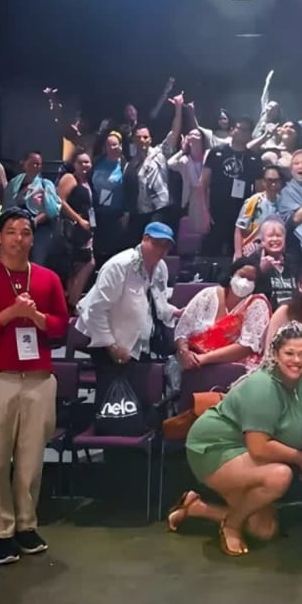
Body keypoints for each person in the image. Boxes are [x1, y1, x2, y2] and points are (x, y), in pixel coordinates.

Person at [0, 208, 69, 565]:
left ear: (33, 238)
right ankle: (0, 532)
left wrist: (35, 316)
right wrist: (10, 314)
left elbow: (61, 325)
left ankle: (26, 525)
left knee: (31, 460)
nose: (18, 239)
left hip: (38, 379)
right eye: (11, 232)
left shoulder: (47, 278)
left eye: (25, 232)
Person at [170, 322, 302, 556]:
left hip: (245, 451)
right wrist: (300, 458)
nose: (296, 360)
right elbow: (259, 447)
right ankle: (232, 526)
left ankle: (196, 508)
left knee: (264, 530)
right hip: (215, 446)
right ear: (276, 355)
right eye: (289, 353)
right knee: (280, 475)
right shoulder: (263, 385)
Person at [75, 223, 178, 402]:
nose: (161, 250)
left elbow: (157, 302)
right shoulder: (119, 265)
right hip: (110, 342)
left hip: (140, 342)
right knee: (112, 402)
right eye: (157, 244)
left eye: (166, 246)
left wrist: (175, 312)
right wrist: (111, 346)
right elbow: (96, 310)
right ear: (145, 239)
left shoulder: (161, 267)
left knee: (137, 399)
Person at [174, 258, 272, 373]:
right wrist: (184, 352)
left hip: (234, 369)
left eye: (251, 279)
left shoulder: (257, 304)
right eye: (242, 276)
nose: (245, 282)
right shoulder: (207, 295)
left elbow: (247, 347)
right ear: (232, 275)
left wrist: (203, 359)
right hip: (192, 363)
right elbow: (182, 331)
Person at [203, 118, 265, 256]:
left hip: (242, 212)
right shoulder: (216, 152)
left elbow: (259, 191)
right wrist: (204, 210)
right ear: (231, 130)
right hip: (216, 210)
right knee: (211, 250)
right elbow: (203, 183)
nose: (243, 132)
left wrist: (256, 217)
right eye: (240, 128)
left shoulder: (254, 158)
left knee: (237, 251)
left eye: (246, 130)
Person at [3, 151, 62, 266]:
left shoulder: (45, 184)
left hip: (39, 230)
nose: (36, 166)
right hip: (17, 228)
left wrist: (35, 221)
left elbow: (52, 210)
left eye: (39, 164)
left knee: (36, 261)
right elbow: (7, 206)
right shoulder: (14, 184)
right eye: (33, 163)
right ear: (24, 164)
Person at [55, 149, 96, 310]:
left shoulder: (88, 180)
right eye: (81, 162)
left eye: (87, 162)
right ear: (74, 164)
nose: (85, 165)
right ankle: (71, 302)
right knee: (86, 263)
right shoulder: (70, 178)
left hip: (86, 229)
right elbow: (60, 200)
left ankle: (72, 301)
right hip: (73, 228)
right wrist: (78, 219)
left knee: (79, 266)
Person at [242, 217, 302, 307]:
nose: (275, 239)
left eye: (278, 236)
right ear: (262, 241)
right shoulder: (252, 261)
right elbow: (243, 292)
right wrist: (261, 270)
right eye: (270, 236)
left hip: (290, 312)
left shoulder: (292, 261)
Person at [90, 131, 129, 263]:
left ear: (120, 146)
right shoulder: (97, 162)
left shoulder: (125, 165)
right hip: (97, 213)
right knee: (97, 249)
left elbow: (130, 190)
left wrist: (126, 213)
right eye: (109, 145)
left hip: (116, 215)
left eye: (115, 145)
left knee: (113, 251)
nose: (112, 148)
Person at [235, 165, 284, 259]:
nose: (273, 184)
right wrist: (238, 254)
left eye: (276, 180)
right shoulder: (253, 201)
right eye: (269, 180)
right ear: (263, 182)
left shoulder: (285, 202)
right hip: (252, 250)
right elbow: (239, 229)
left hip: (276, 250)